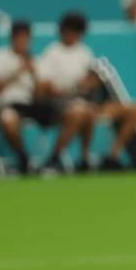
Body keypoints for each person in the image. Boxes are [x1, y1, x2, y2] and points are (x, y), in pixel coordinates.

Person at [0, 20, 56, 173]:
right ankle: (24, 158)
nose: (23, 42)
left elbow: (39, 96)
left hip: (30, 105)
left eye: (26, 38)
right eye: (19, 38)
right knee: (8, 119)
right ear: (12, 38)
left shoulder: (36, 61)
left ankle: (52, 160)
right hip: (8, 104)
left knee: (65, 112)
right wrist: (17, 73)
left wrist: (34, 75)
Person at [36, 12, 98, 172]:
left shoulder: (85, 52)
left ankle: (84, 157)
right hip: (55, 104)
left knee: (89, 111)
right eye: (71, 31)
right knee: (78, 112)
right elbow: (46, 87)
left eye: (78, 33)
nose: (74, 36)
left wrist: (88, 84)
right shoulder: (51, 53)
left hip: (81, 100)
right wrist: (71, 88)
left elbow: (92, 80)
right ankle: (54, 157)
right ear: (63, 31)